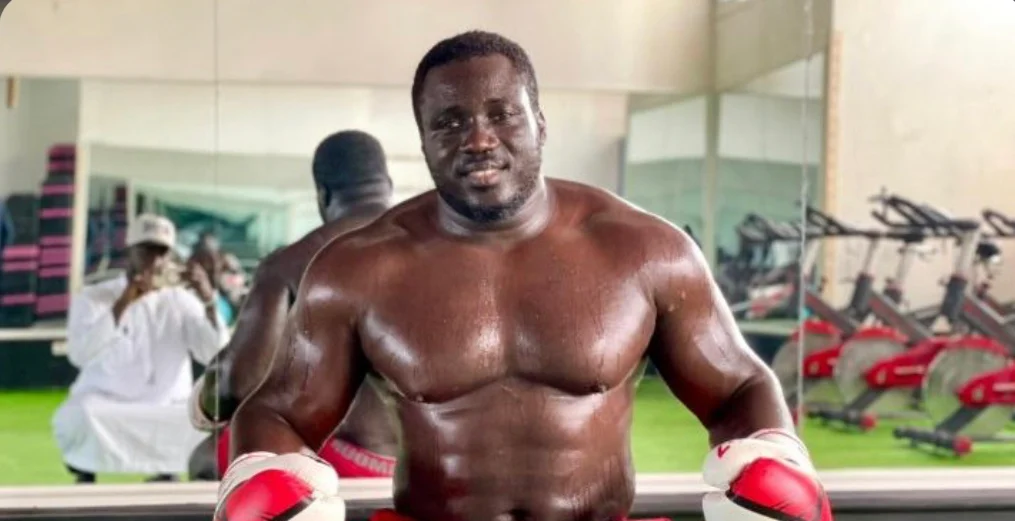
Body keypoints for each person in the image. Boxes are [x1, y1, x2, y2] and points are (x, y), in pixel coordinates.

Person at [216, 31, 832, 521]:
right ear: (424, 143)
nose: (479, 139)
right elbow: (280, 411)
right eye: (449, 122)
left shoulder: (644, 251)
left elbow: (737, 387)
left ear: (540, 122)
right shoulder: (358, 269)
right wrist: (264, 471)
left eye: (502, 114)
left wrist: (772, 453)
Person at [189, 130, 398, 479]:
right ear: (387, 186)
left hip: (345, 463)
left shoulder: (290, 263)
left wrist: (213, 379)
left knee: (208, 456)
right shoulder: (442, 249)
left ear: (323, 195)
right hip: (439, 464)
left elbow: (239, 385)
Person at [52, 213, 229, 483]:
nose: (155, 260)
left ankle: (166, 474)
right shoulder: (94, 296)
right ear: (130, 251)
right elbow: (80, 354)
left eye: (162, 252)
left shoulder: (182, 300)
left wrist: (208, 301)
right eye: (146, 251)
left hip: (166, 404)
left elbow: (214, 353)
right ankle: (87, 472)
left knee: (202, 421)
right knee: (81, 415)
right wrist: (124, 302)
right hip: (107, 402)